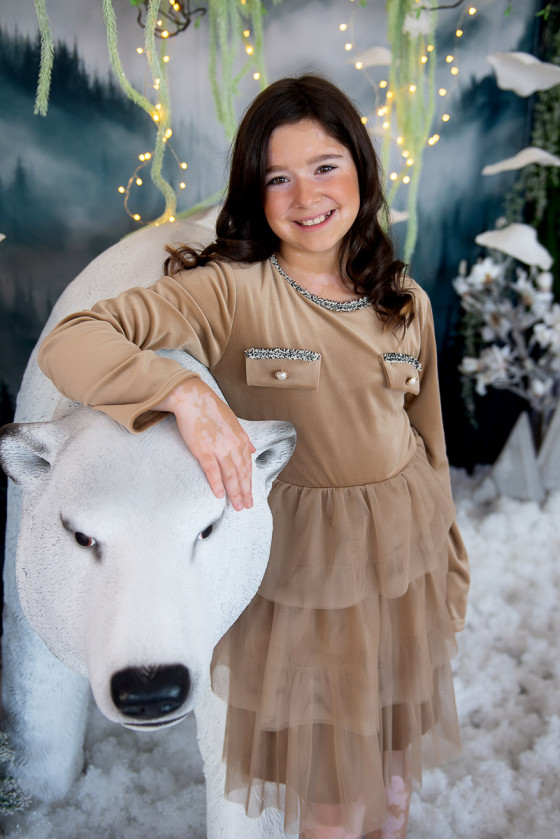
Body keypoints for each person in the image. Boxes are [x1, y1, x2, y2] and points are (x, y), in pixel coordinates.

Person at [38, 74, 469, 839]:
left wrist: (448, 559)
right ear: (254, 190)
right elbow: (74, 343)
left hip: (400, 558)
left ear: (362, 169)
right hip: (300, 581)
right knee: (331, 799)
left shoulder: (404, 299)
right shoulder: (226, 293)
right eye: (278, 178)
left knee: (391, 771)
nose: (306, 196)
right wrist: (180, 392)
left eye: (325, 166)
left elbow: (427, 440)